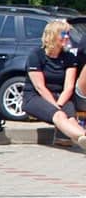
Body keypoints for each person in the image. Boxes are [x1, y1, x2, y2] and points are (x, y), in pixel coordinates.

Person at [24, 19, 86, 149]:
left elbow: (69, 87)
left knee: (71, 118)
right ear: (52, 35)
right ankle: (82, 135)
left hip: (60, 96)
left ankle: (82, 138)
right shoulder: (36, 55)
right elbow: (40, 87)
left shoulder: (69, 57)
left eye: (67, 34)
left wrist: (60, 104)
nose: (67, 37)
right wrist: (56, 107)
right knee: (59, 115)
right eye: (63, 34)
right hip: (36, 97)